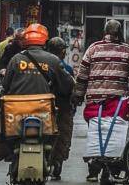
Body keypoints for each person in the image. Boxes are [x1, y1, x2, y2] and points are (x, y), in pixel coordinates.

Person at [0, 24, 74, 179]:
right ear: (44, 40)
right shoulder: (53, 60)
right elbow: (66, 86)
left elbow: (5, 86)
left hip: (16, 115)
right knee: (52, 137)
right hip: (43, 114)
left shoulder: (16, 59)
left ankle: (12, 157)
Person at [72, 19, 129, 182]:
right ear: (120, 33)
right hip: (119, 102)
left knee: (97, 134)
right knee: (116, 134)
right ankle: (112, 168)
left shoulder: (93, 49)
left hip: (94, 102)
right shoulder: (128, 50)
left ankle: (94, 169)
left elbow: (82, 76)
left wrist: (78, 95)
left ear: (105, 32)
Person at [45, 38, 77, 173]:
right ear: (63, 51)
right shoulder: (66, 68)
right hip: (63, 107)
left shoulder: (41, 64)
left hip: (43, 106)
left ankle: (48, 161)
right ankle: (57, 163)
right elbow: (70, 88)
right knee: (62, 136)